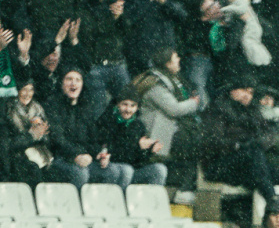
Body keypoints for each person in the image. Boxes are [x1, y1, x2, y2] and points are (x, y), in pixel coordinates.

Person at [136, 47, 201, 204]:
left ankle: (185, 187)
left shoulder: (174, 79)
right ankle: (183, 189)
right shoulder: (155, 84)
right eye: (175, 57)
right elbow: (174, 109)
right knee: (191, 141)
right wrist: (194, 103)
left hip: (170, 127)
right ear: (166, 63)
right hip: (156, 131)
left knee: (197, 137)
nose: (179, 59)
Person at [45, 67, 125, 188]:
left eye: (78, 80)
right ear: (62, 83)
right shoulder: (52, 105)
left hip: (83, 158)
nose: (74, 83)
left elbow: (93, 139)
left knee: (112, 171)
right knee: (80, 173)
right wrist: (77, 154)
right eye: (69, 79)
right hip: (59, 158)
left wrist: (100, 154)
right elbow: (57, 139)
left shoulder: (86, 107)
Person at [94, 85, 168, 190]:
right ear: (118, 104)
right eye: (125, 104)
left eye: (132, 106)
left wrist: (149, 151)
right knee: (126, 170)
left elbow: (138, 160)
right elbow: (110, 153)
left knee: (160, 169)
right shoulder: (107, 121)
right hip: (112, 169)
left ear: (137, 107)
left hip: (131, 171)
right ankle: (119, 202)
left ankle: (150, 203)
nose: (128, 110)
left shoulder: (138, 125)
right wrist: (136, 146)